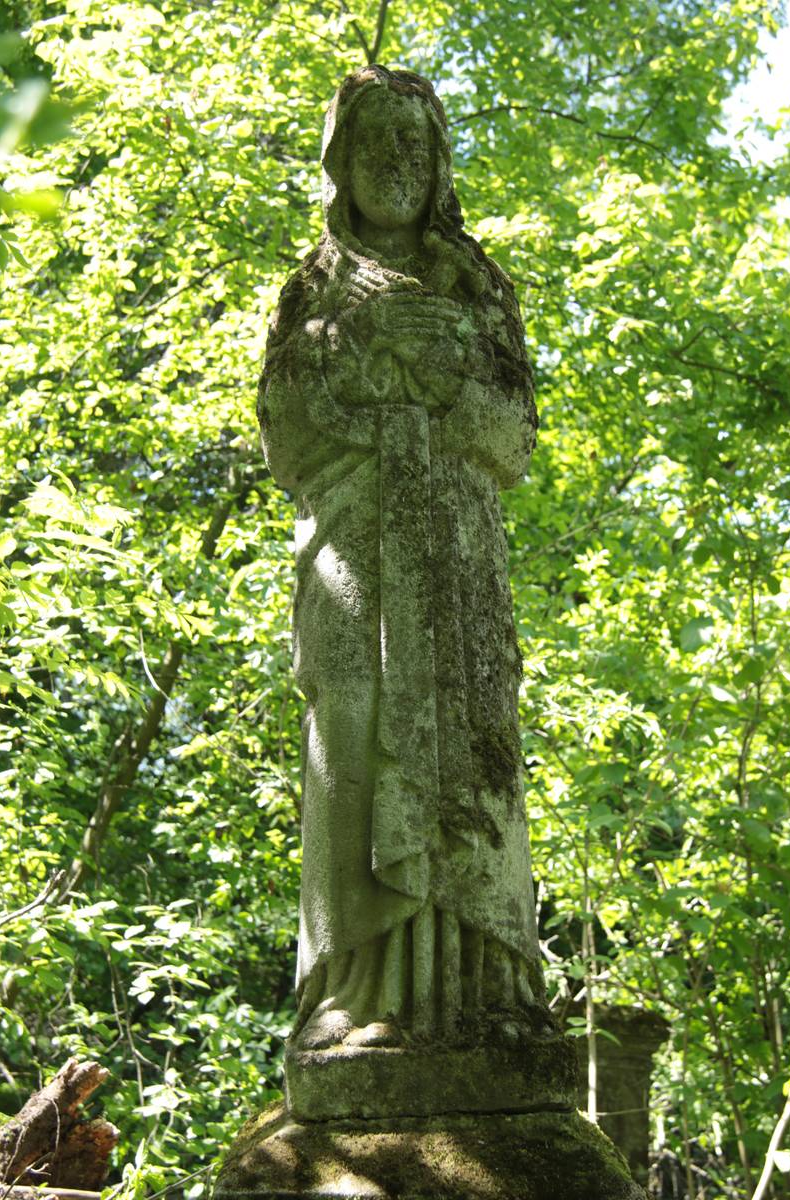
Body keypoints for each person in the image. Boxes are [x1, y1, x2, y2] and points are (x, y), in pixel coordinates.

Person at [258, 65, 547, 1052]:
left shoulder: (478, 284)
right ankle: (356, 995)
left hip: (457, 561)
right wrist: (373, 355)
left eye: (413, 145)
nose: (395, 162)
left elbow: (513, 440)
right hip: (353, 560)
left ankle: (488, 996)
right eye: (376, 141)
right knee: (353, 745)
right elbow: (284, 435)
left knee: (471, 753)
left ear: (439, 164)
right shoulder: (313, 289)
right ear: (340, 159)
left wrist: (450, 394)